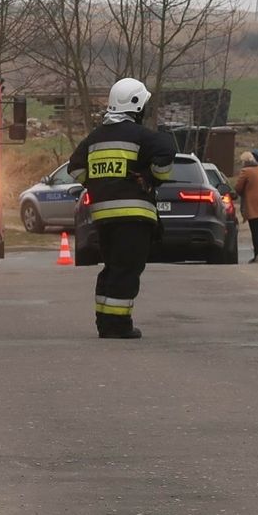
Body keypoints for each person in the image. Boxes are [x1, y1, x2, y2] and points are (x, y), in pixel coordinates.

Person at [67, 77, 176, 339]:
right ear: (137, 105)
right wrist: (152, 178)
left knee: (113, 268)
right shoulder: (142, 136)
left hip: (104, 217)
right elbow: (167, 152)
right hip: (134, 216)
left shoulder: (94, 138)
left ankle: (105, 323)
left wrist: (98, 185)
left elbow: (75, 167)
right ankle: (119, 326)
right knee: (127, 270)